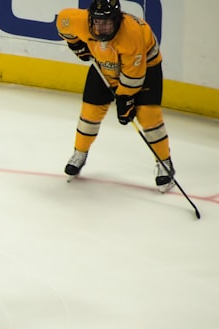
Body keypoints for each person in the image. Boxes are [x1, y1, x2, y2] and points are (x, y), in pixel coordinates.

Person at [57, 0, 175, 193]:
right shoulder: (77, 21)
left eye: (106, 23)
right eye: (96, 22)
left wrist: (125, 101)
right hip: (104, 64)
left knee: (148, 115)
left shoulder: (132, 35)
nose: (101, 28)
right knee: (90, 113)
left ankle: (165, 162)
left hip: (146, 67)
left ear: (117, 20)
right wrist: (76, 45)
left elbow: (134, 77)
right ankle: (79, 153)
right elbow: (63, 23)